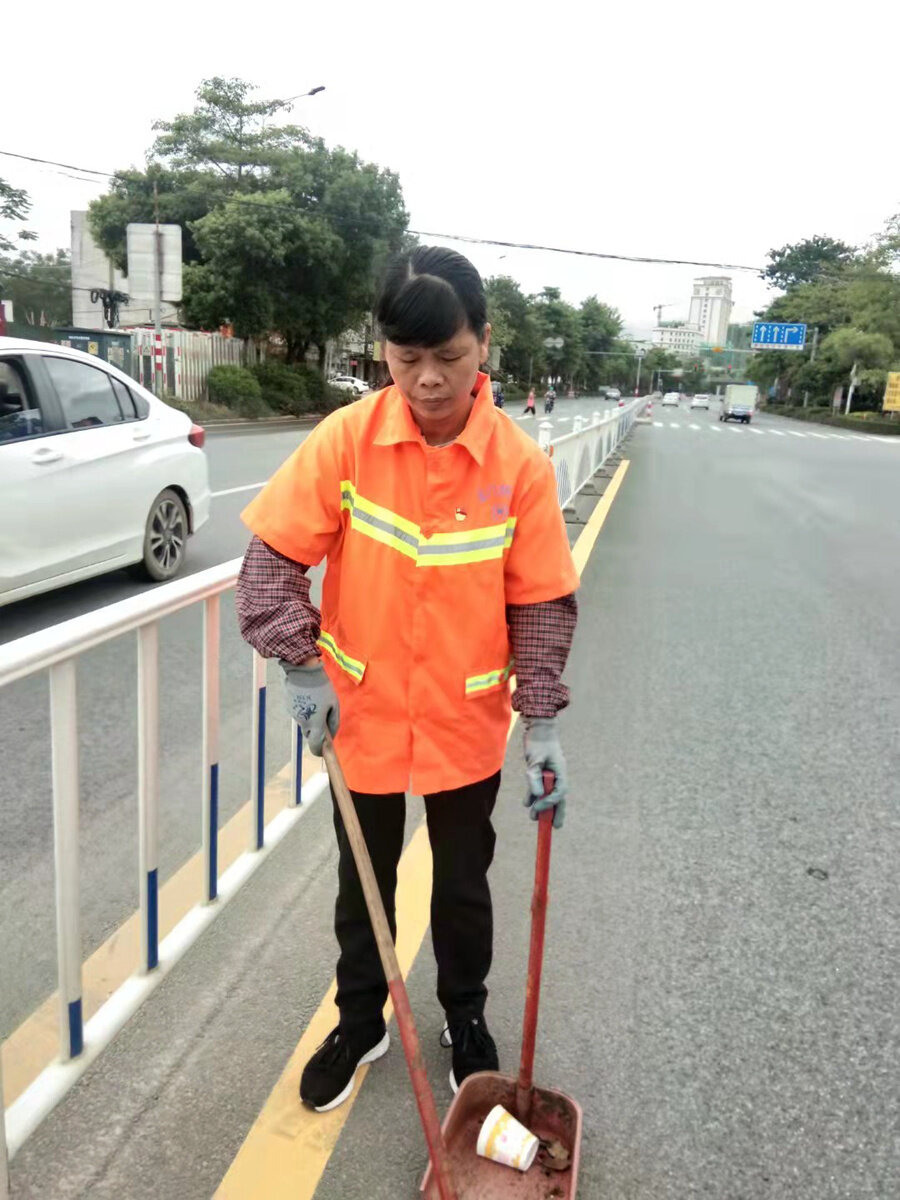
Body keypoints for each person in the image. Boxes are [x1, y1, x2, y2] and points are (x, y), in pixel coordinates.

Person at [235, 246, 578, 1115]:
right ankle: (361, 1021)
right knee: (364, 881)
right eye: (406, 357)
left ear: (483, 343)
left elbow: (540, 603)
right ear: (382, 347)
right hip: (363, 713)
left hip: (466, 720)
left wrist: (541, 722)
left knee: (463, 886)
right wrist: (301, 664)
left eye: (449, 357)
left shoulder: (519, 467)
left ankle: (466, 1019)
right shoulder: (347, 441)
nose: (428, 380)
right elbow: (270, 566)